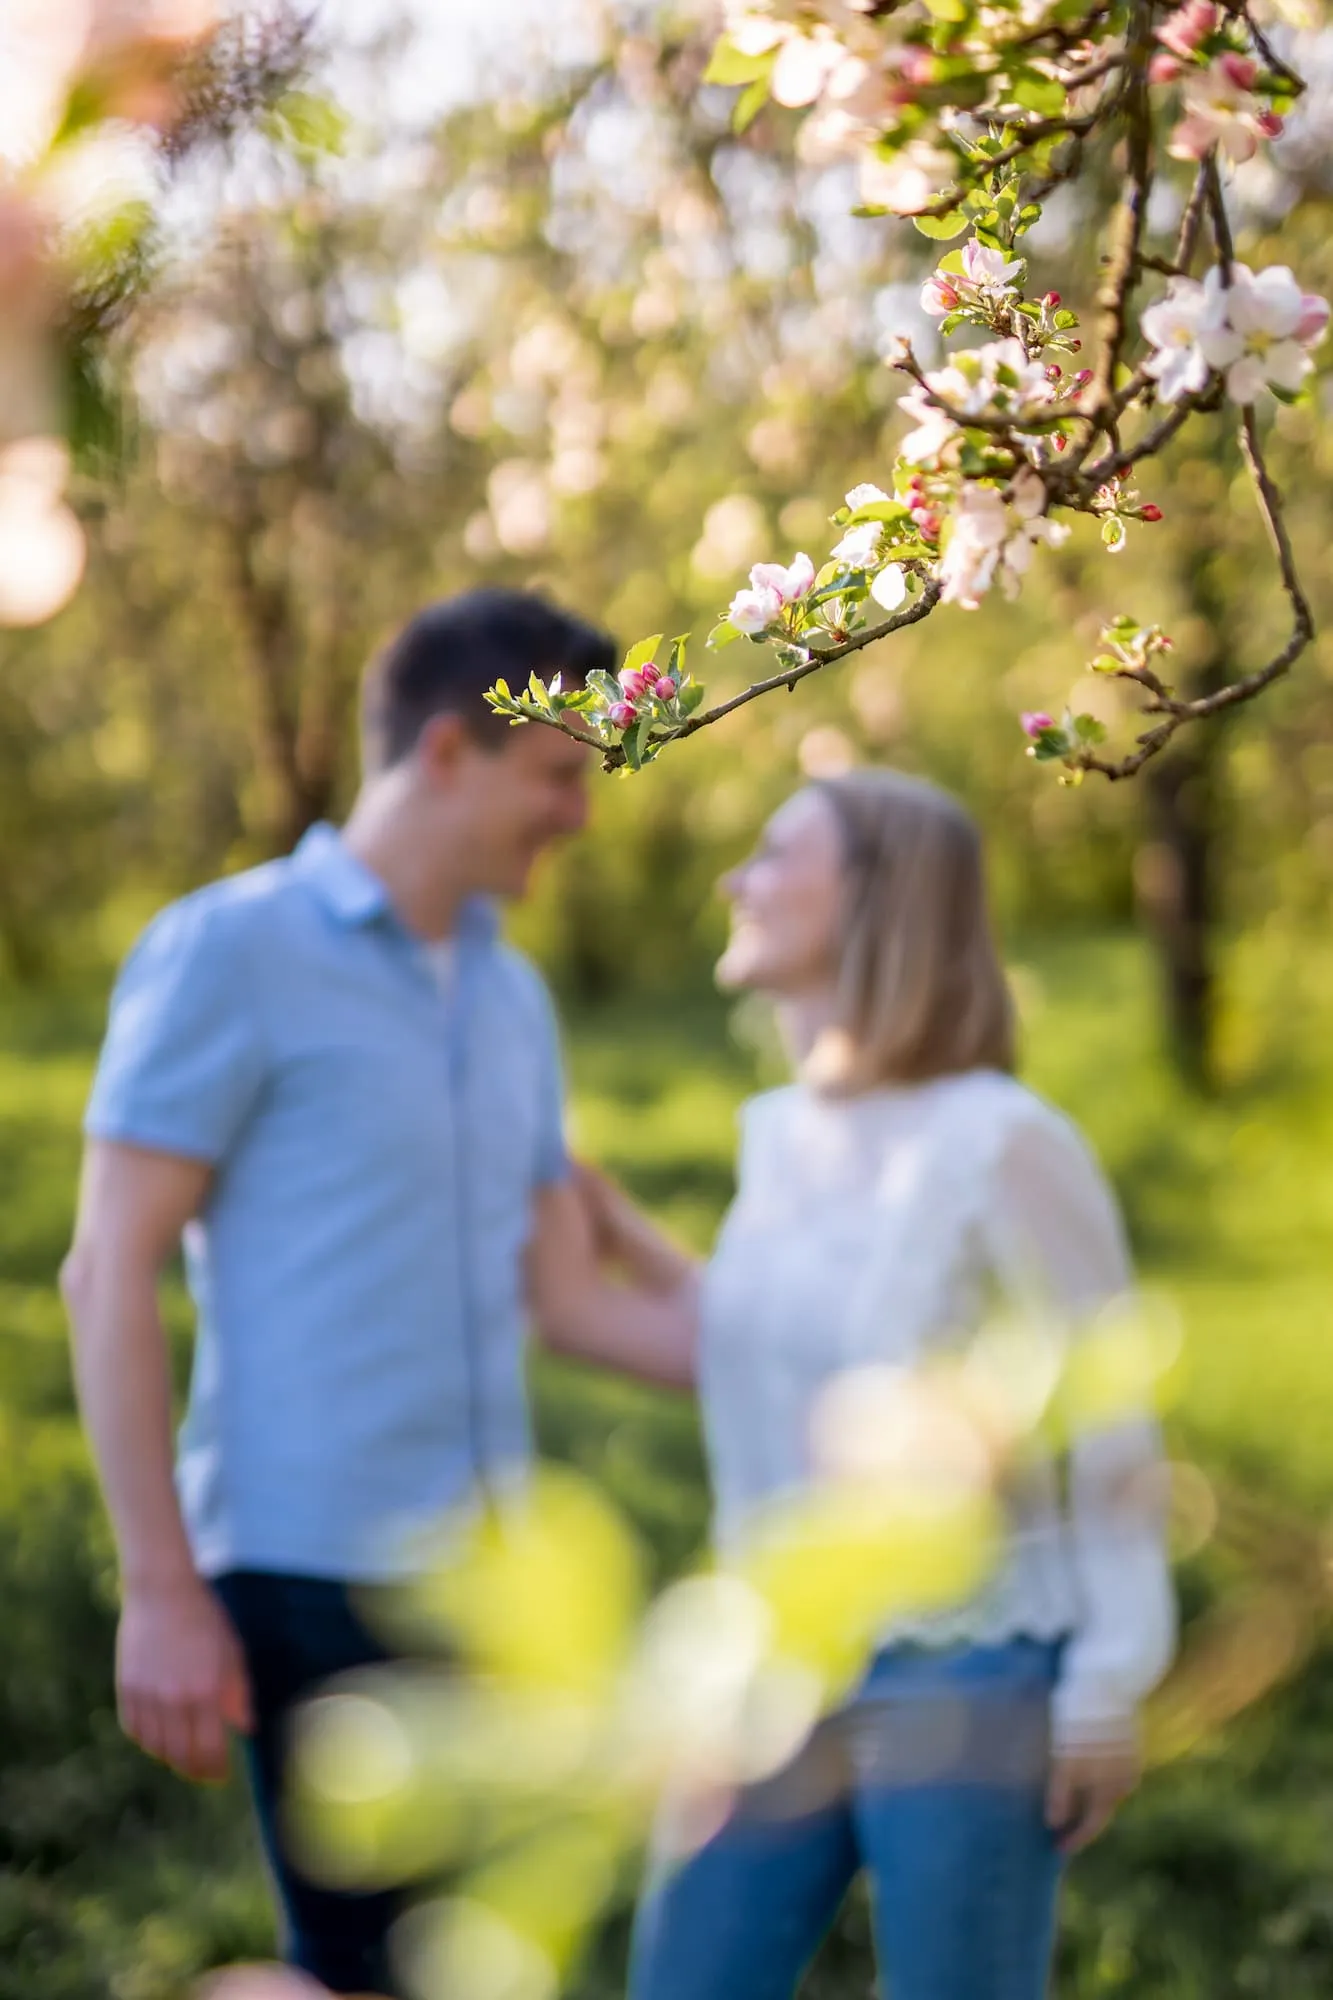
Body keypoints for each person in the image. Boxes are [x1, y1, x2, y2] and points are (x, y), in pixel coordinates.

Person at [60, 588, 697, 1999]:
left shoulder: (512, 994)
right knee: (369, 1976)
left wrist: (830, 1364)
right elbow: (108, 1267)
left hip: (489, 1579)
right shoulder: (229, 951)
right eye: (558, 775)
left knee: (475, 1970)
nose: (579, 817)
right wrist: (160, 1587)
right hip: (306, 1569)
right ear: (447, 752)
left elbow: (572, 1304)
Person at [582, 767, 1177, 2000]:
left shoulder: (999, 1137)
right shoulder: (775, 1138)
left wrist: (1108, 1676)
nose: (733, 879)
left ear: (876, 895)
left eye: (772, 850)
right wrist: (586, 1206)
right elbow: (772, 1340)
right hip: (767, 1662)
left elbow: (1110, 1413)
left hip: (967, 1665)